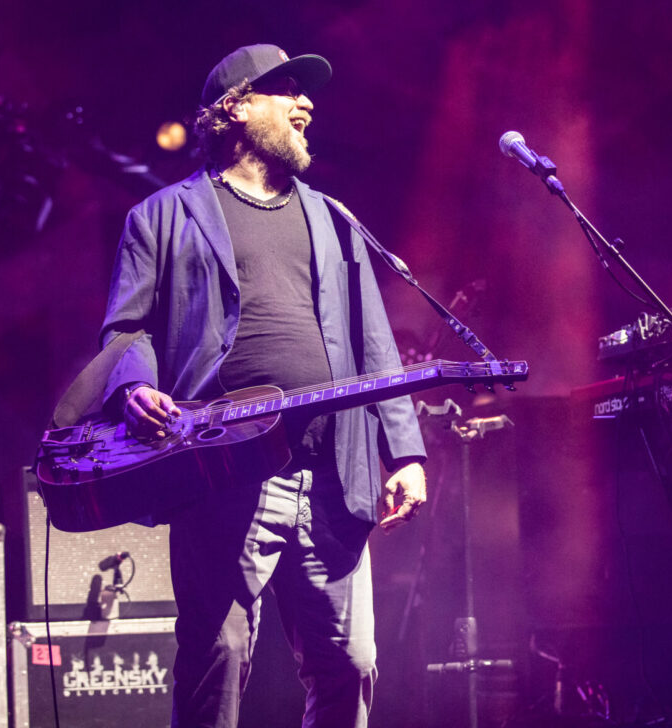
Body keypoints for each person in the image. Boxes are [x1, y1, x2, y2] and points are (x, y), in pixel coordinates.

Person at [99, 44, 428, 728]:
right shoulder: (161, 217)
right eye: (286, 89)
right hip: (220, 474)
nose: (307, 103)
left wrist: (407, 451)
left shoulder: (334, 217)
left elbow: (375, 343)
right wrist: (133, 392)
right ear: (236, 109)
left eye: (306, 93)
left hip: (333, 473)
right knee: (215, 661)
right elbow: (127, 332)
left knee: (353, 665)